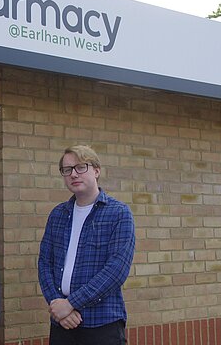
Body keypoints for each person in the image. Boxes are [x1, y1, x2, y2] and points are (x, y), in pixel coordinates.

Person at [38, 145, 135, 345]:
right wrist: (58, 306)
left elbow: (115, 271)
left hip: (102, 324)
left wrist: (71, 304)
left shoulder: (118, 214)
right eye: (67, 169)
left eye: (80, 167)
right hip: (62, 325)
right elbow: (44, 263)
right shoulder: (58, 215)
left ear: (96, 171)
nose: (73, 174)